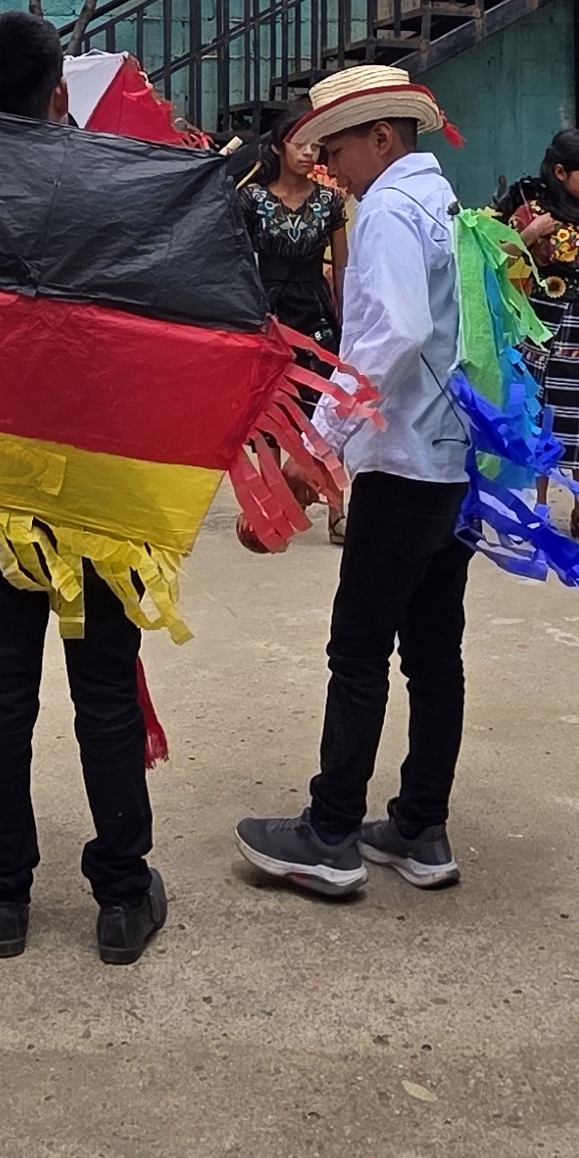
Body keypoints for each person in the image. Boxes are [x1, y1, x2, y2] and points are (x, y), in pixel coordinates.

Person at [0, 13, 167, 964]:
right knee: (105, 687)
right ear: (59, 93)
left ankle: (2, 895)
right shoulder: (118, 182)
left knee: (2, 688)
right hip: (98, 478)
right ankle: (123, 897)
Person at [237, 63, 474, 905]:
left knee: (361, 648)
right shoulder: (444, 204)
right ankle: (419, 826)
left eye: (336, 148)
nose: (329, 165)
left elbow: (392, 332)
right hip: (451, 459)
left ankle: (332, 831)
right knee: (434, 651)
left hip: (402, 460)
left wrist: (314, 449)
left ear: (380, 137)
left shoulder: (389, 211)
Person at [503, 131, 579, 540]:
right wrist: (529, 234)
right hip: (547, 325)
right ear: (560, 172)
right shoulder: (532, 209)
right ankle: (538, 508)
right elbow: (497, 257)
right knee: (545, 416)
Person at [239, 129, 347, 347]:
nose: (308, 152)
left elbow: (341, 266)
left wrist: (345, 316)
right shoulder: (252, 197)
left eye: (315, 146)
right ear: (277, 147)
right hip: (265, 303)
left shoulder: (330, 199)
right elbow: (238, 261)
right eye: (299, 145)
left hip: (314, 304)